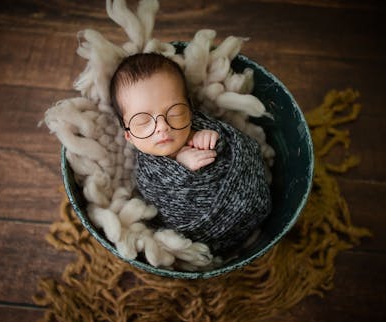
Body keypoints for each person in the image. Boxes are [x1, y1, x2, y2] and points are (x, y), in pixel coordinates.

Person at [110, 52, 271, 256]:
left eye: (175, 112)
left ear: (190, 108)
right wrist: (181, 164)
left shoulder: (200, 125)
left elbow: (239, 145)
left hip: (253, 195)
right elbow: (159, 203)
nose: (162, 127)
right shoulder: (147, 173)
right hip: (206, 233)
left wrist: (211, 138)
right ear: (129, 136)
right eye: (143, 121)